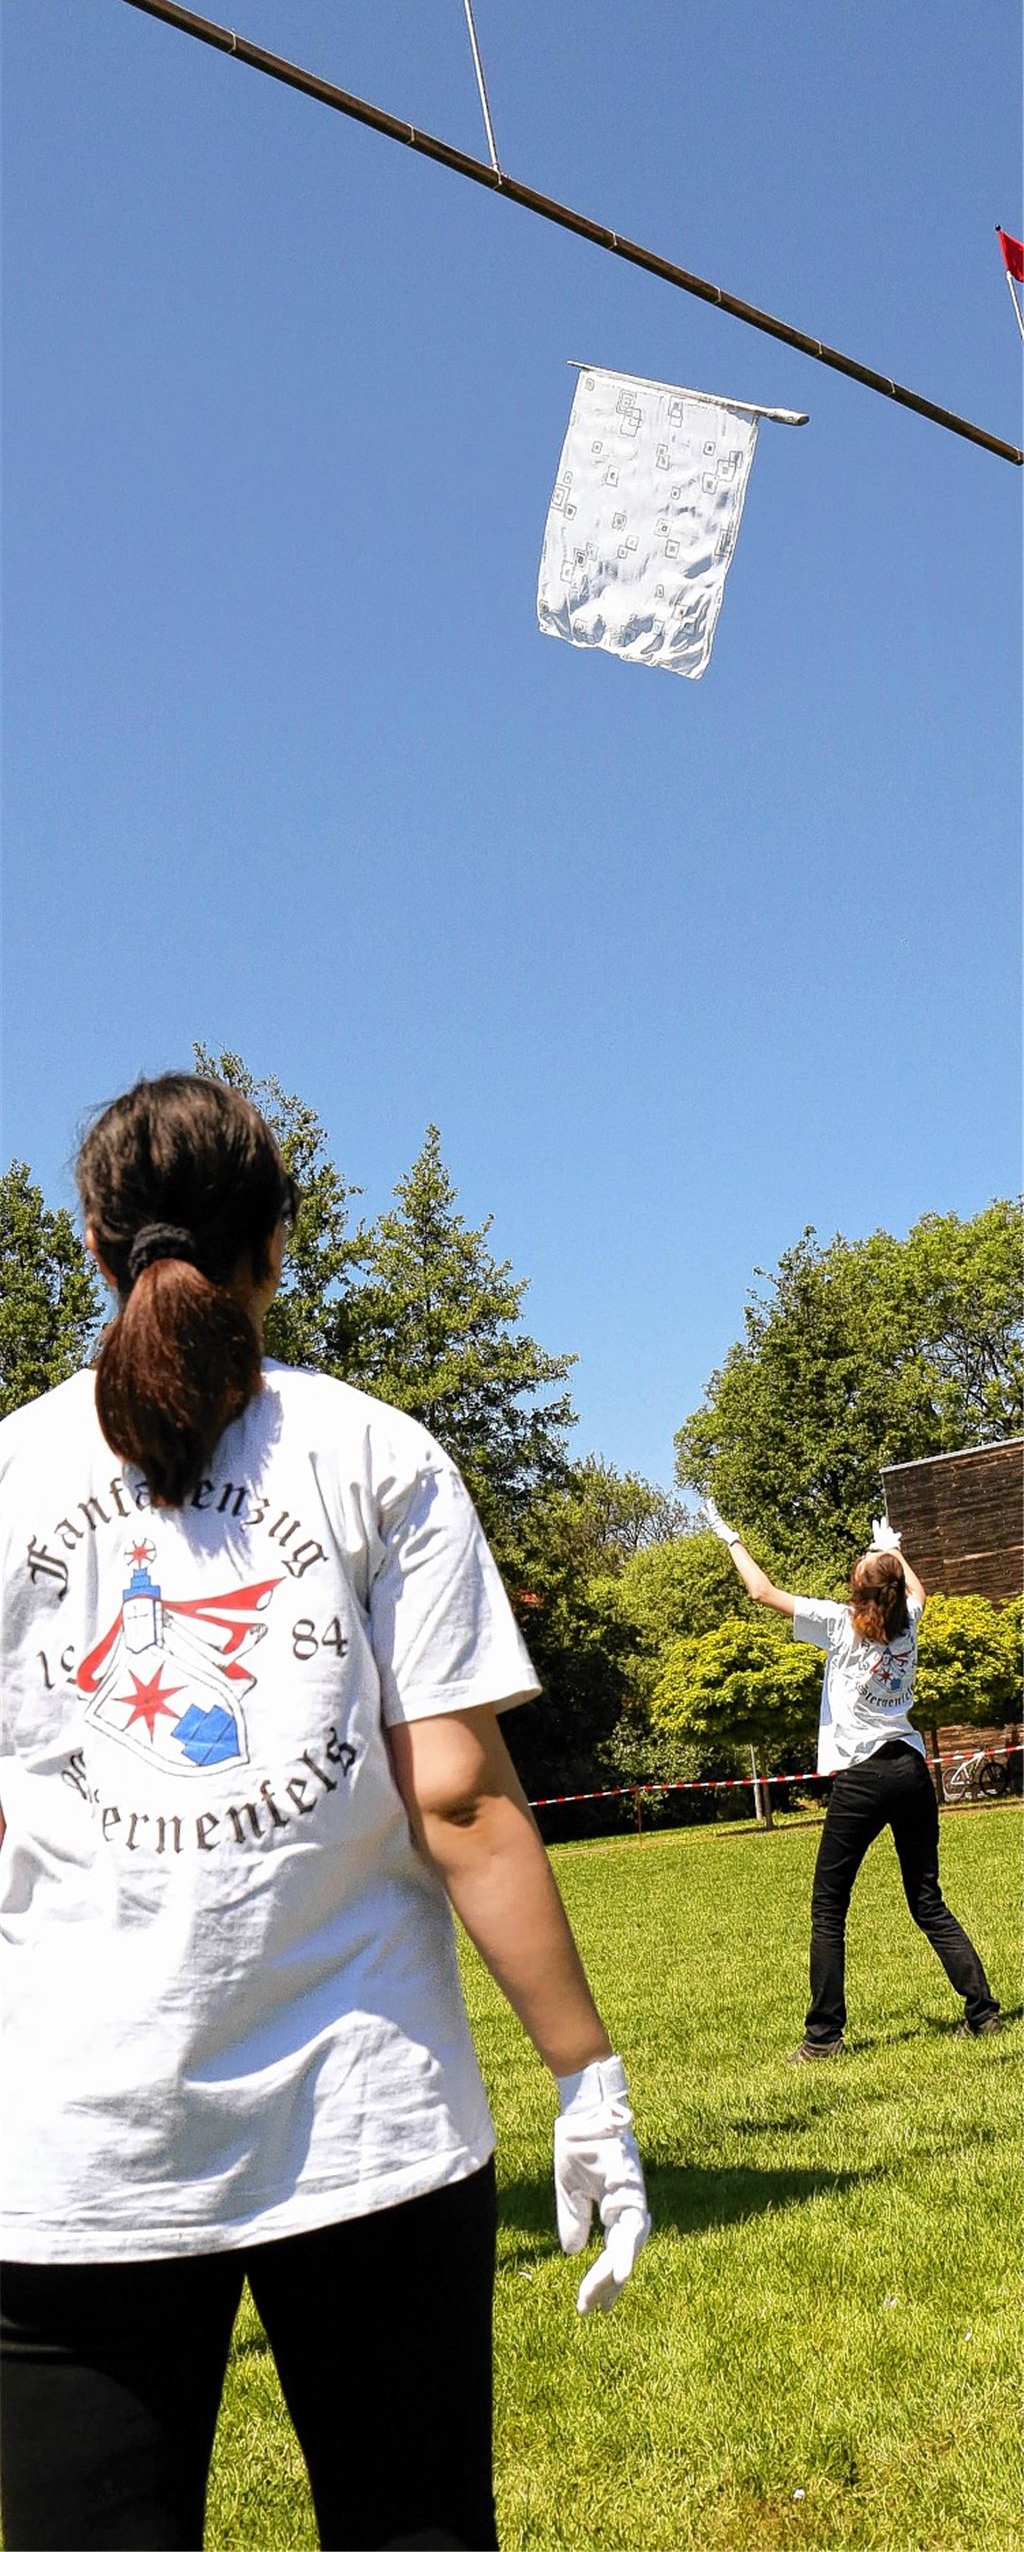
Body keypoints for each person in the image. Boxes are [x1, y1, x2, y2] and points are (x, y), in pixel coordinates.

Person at [0, 1072, 649, 2552]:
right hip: (369, 2125)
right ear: (280, 1245)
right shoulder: (377, 1454)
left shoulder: (5, 1479)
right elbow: (464, 1792)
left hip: (74, 2148)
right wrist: (585, 2075)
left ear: (91, 1245)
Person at [702, 1497, 1001, 2061]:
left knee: (829, 1909)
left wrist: (730, 1537)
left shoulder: (839, 1625)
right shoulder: (907, 1623)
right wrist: (893, 1550)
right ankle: (983, 2013)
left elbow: (762, 1593)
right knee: (926, 1899)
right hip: (911, 1770)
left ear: (859, 1594)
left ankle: (822, 2039)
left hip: (861, 1777)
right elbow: (920, 1593)